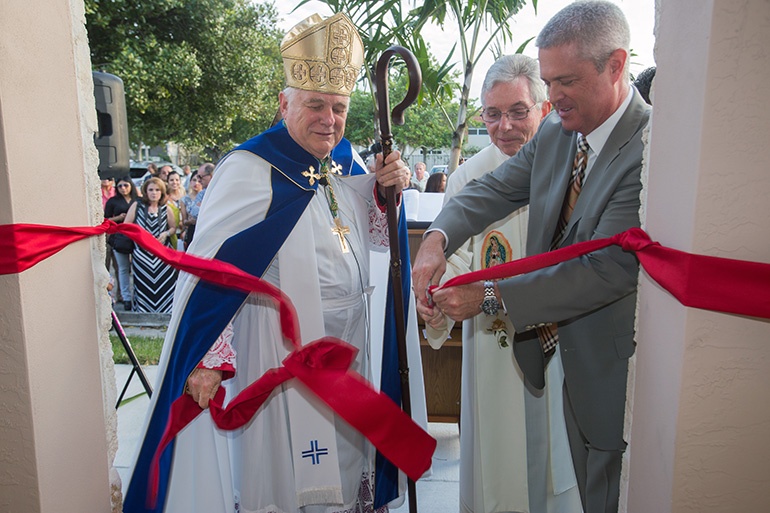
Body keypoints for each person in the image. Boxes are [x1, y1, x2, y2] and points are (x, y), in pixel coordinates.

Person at [124, 12, 420, 513]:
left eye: (340, 108)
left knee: (348, 466)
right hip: (280, 349)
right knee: (289, 476)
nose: (329, 119)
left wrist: (386, 192)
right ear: (284, 103)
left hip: (349, 350)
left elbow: (374, 239)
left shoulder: (344, 161)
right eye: (315, 105)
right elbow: (212, 268)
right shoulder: (248, 169)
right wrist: (211, 357)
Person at [412, 2, 651, 512]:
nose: (555, 97)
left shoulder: (647, 148)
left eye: (566, 80)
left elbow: (603, 270)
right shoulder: (560, 131)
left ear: (616, 65)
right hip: (547, 355)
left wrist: (489, 296)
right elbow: (496, 188)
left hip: (601, 366)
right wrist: (436, 239)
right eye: (549, 81)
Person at [420, 54, 581, 513]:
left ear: (544, 109)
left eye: (517, 111)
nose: (504, 126)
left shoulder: (576, 165)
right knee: (498, 468)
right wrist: (435, 294)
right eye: (492, 114)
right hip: (494, 345)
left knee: (559, 467)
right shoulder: (470, 176)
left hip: (561, 339)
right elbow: (456, 259)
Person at [124, 177, 177, 313]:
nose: (154, 193)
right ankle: (143, 311)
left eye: (157, 190)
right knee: (143, 284)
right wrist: (140, 234)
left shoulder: (166, 209)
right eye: (151, 190)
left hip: (162, 255)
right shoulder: (138, 206)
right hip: (142, 254)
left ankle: (166, 311)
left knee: (166, 283)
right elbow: (126, 225)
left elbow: (173, 228)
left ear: (162, 192)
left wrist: (165, 233)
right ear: (145, 192)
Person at [104, 176, 138, 310]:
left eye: (126, 185)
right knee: (121, 268)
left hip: (135, 237)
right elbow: (105, 219)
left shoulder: (137, 200)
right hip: (118, 237)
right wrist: (119, 218)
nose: (123, 188)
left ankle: (137, 296)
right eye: (120, 186)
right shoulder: (113, 201)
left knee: (136, 268)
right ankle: (125, 297)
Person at [184, 162, 214, 246]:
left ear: (211, 176)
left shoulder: (222, 192)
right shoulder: (201, 194)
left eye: (200, 177)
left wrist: (202, 207)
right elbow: (194, 213)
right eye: (197, 177)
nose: (199, 180)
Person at [165, 170, 188, 250]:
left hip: (184, 233)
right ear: (167, 182)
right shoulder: (165, 199)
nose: (174, 182)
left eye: (177, 180)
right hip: (171, 234)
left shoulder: (185, 197)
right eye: (171, 180)